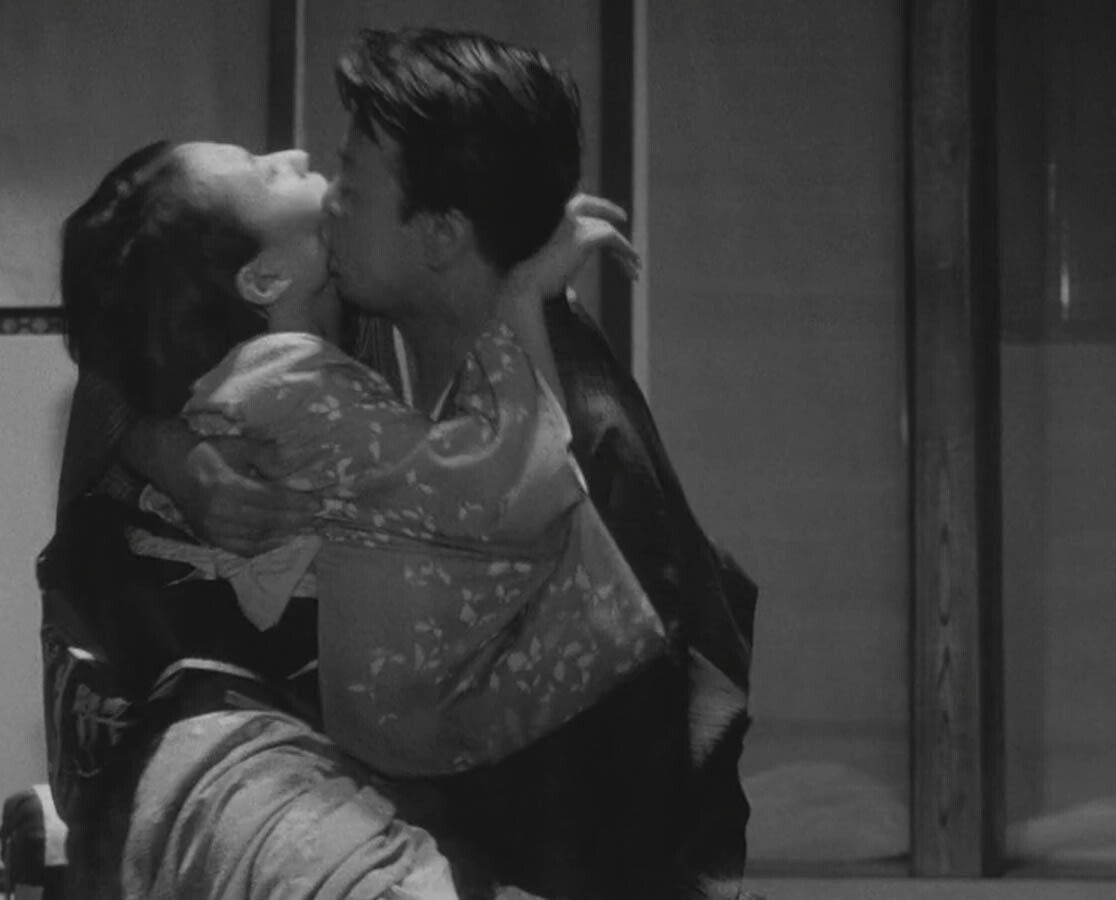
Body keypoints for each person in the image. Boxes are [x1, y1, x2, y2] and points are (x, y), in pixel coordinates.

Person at [47, 26, 756, 900]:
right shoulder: (332, 321)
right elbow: (120, 343)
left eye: (352, 180)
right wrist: (174, 455)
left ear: (443, 234)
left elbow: (629, 749)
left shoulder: (575, 415)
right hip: (210, 725)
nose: (321, 182)